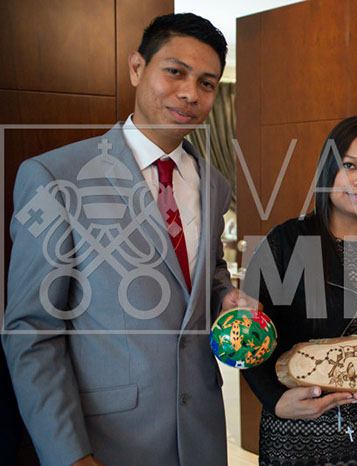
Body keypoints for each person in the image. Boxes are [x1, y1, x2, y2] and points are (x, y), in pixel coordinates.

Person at [2, 13, 259, 466]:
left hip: (201, 431)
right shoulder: (55, 177)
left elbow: (206, 268)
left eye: (206, 83)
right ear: (137, 67)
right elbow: (32, 331)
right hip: (109, 440)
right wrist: (68, 455)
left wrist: (224, 294)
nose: (190, 94)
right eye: (175, 72)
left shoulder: (214, 184)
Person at [241, 116, 357, 465]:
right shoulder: (286, 241)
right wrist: (274, 399)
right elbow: (247, 335)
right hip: (298, 437)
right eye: (349, 165)